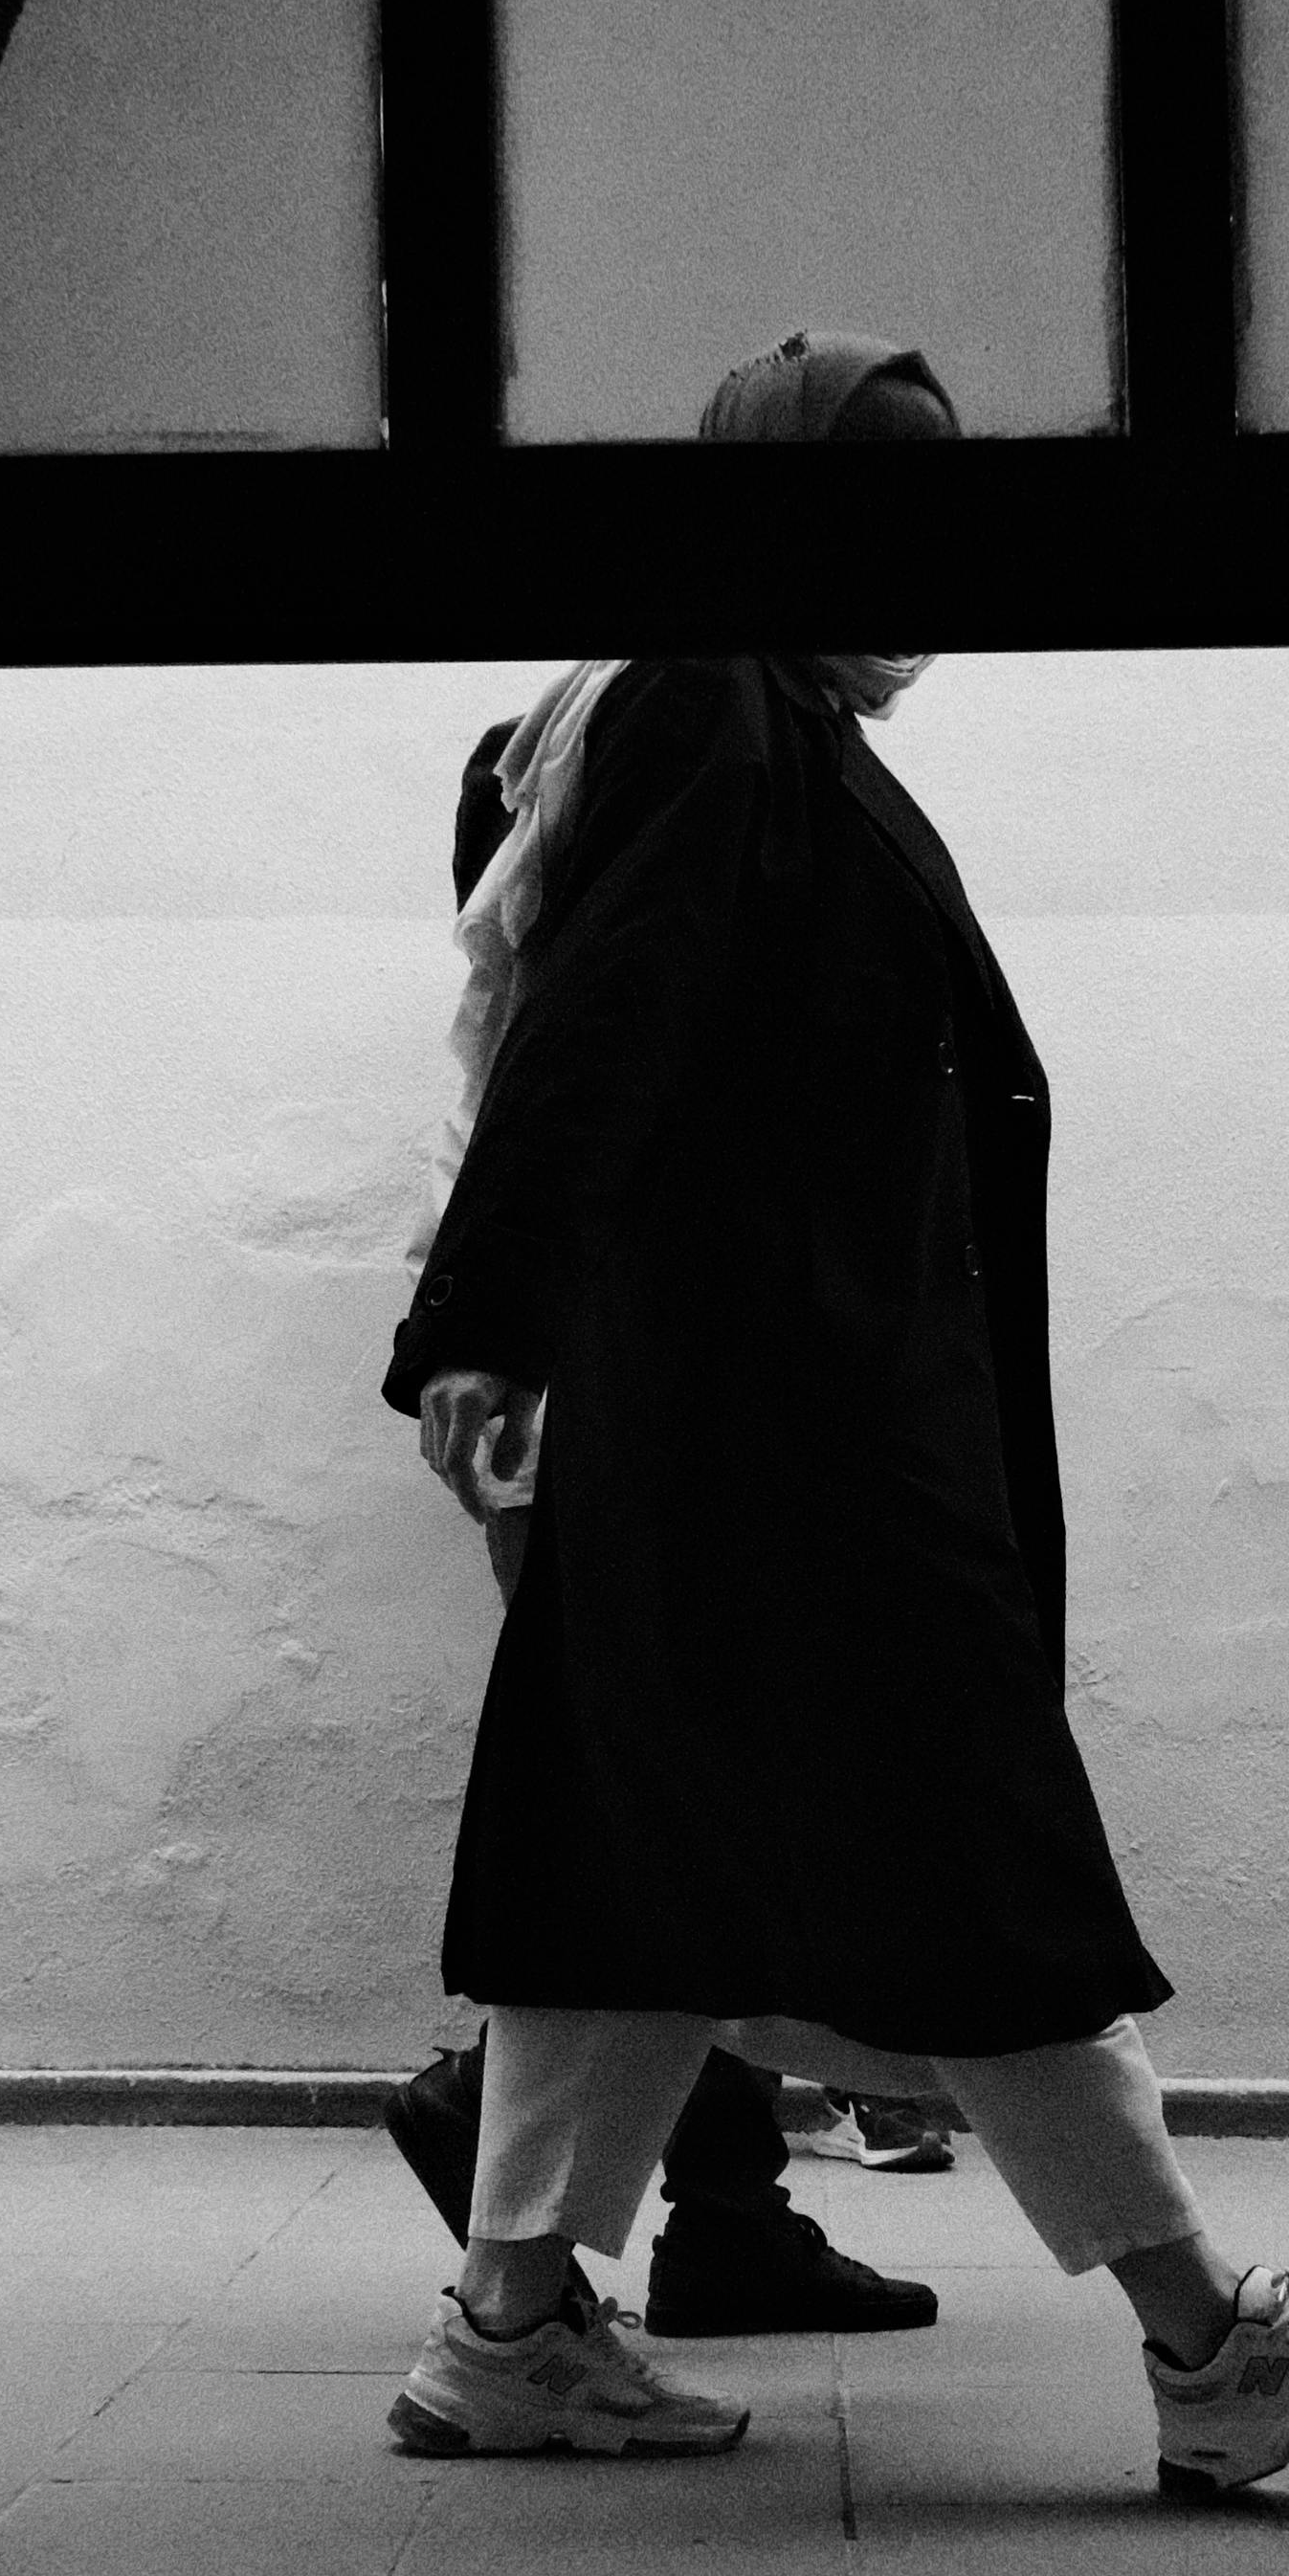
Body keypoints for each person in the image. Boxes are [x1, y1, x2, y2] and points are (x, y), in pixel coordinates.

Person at [376, 326, 1289, 2495]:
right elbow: (595, 1040)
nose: (928, 531)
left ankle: (511, 2331)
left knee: (623, 1881)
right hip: (789, 1435)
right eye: (879, 480)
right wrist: (482, 1335)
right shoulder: (714, 706)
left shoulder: (748, 712)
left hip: (743, 1420)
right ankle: (1211, 2345)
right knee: (977, 1859)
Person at [386, 683, 941, 2340]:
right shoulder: (641, 794)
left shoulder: (548, 911)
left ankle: (693, 2215)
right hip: (609, 1392)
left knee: (663, 1804)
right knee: (670, 1798)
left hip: (597, 1383)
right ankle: (605, 2173)